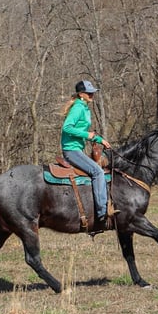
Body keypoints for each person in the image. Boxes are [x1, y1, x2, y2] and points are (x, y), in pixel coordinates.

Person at [61, 80, 113, 230]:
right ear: (81, 94)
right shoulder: (78, 108)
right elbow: (67, 128)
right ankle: (102, 213)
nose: (92, 95)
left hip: (77, 148)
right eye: (89, 93)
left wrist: (100, 139)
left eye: (92, 92)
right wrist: (88, 135)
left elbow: (87, 134)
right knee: (97, 172)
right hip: (71, 150)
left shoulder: (83, 107)